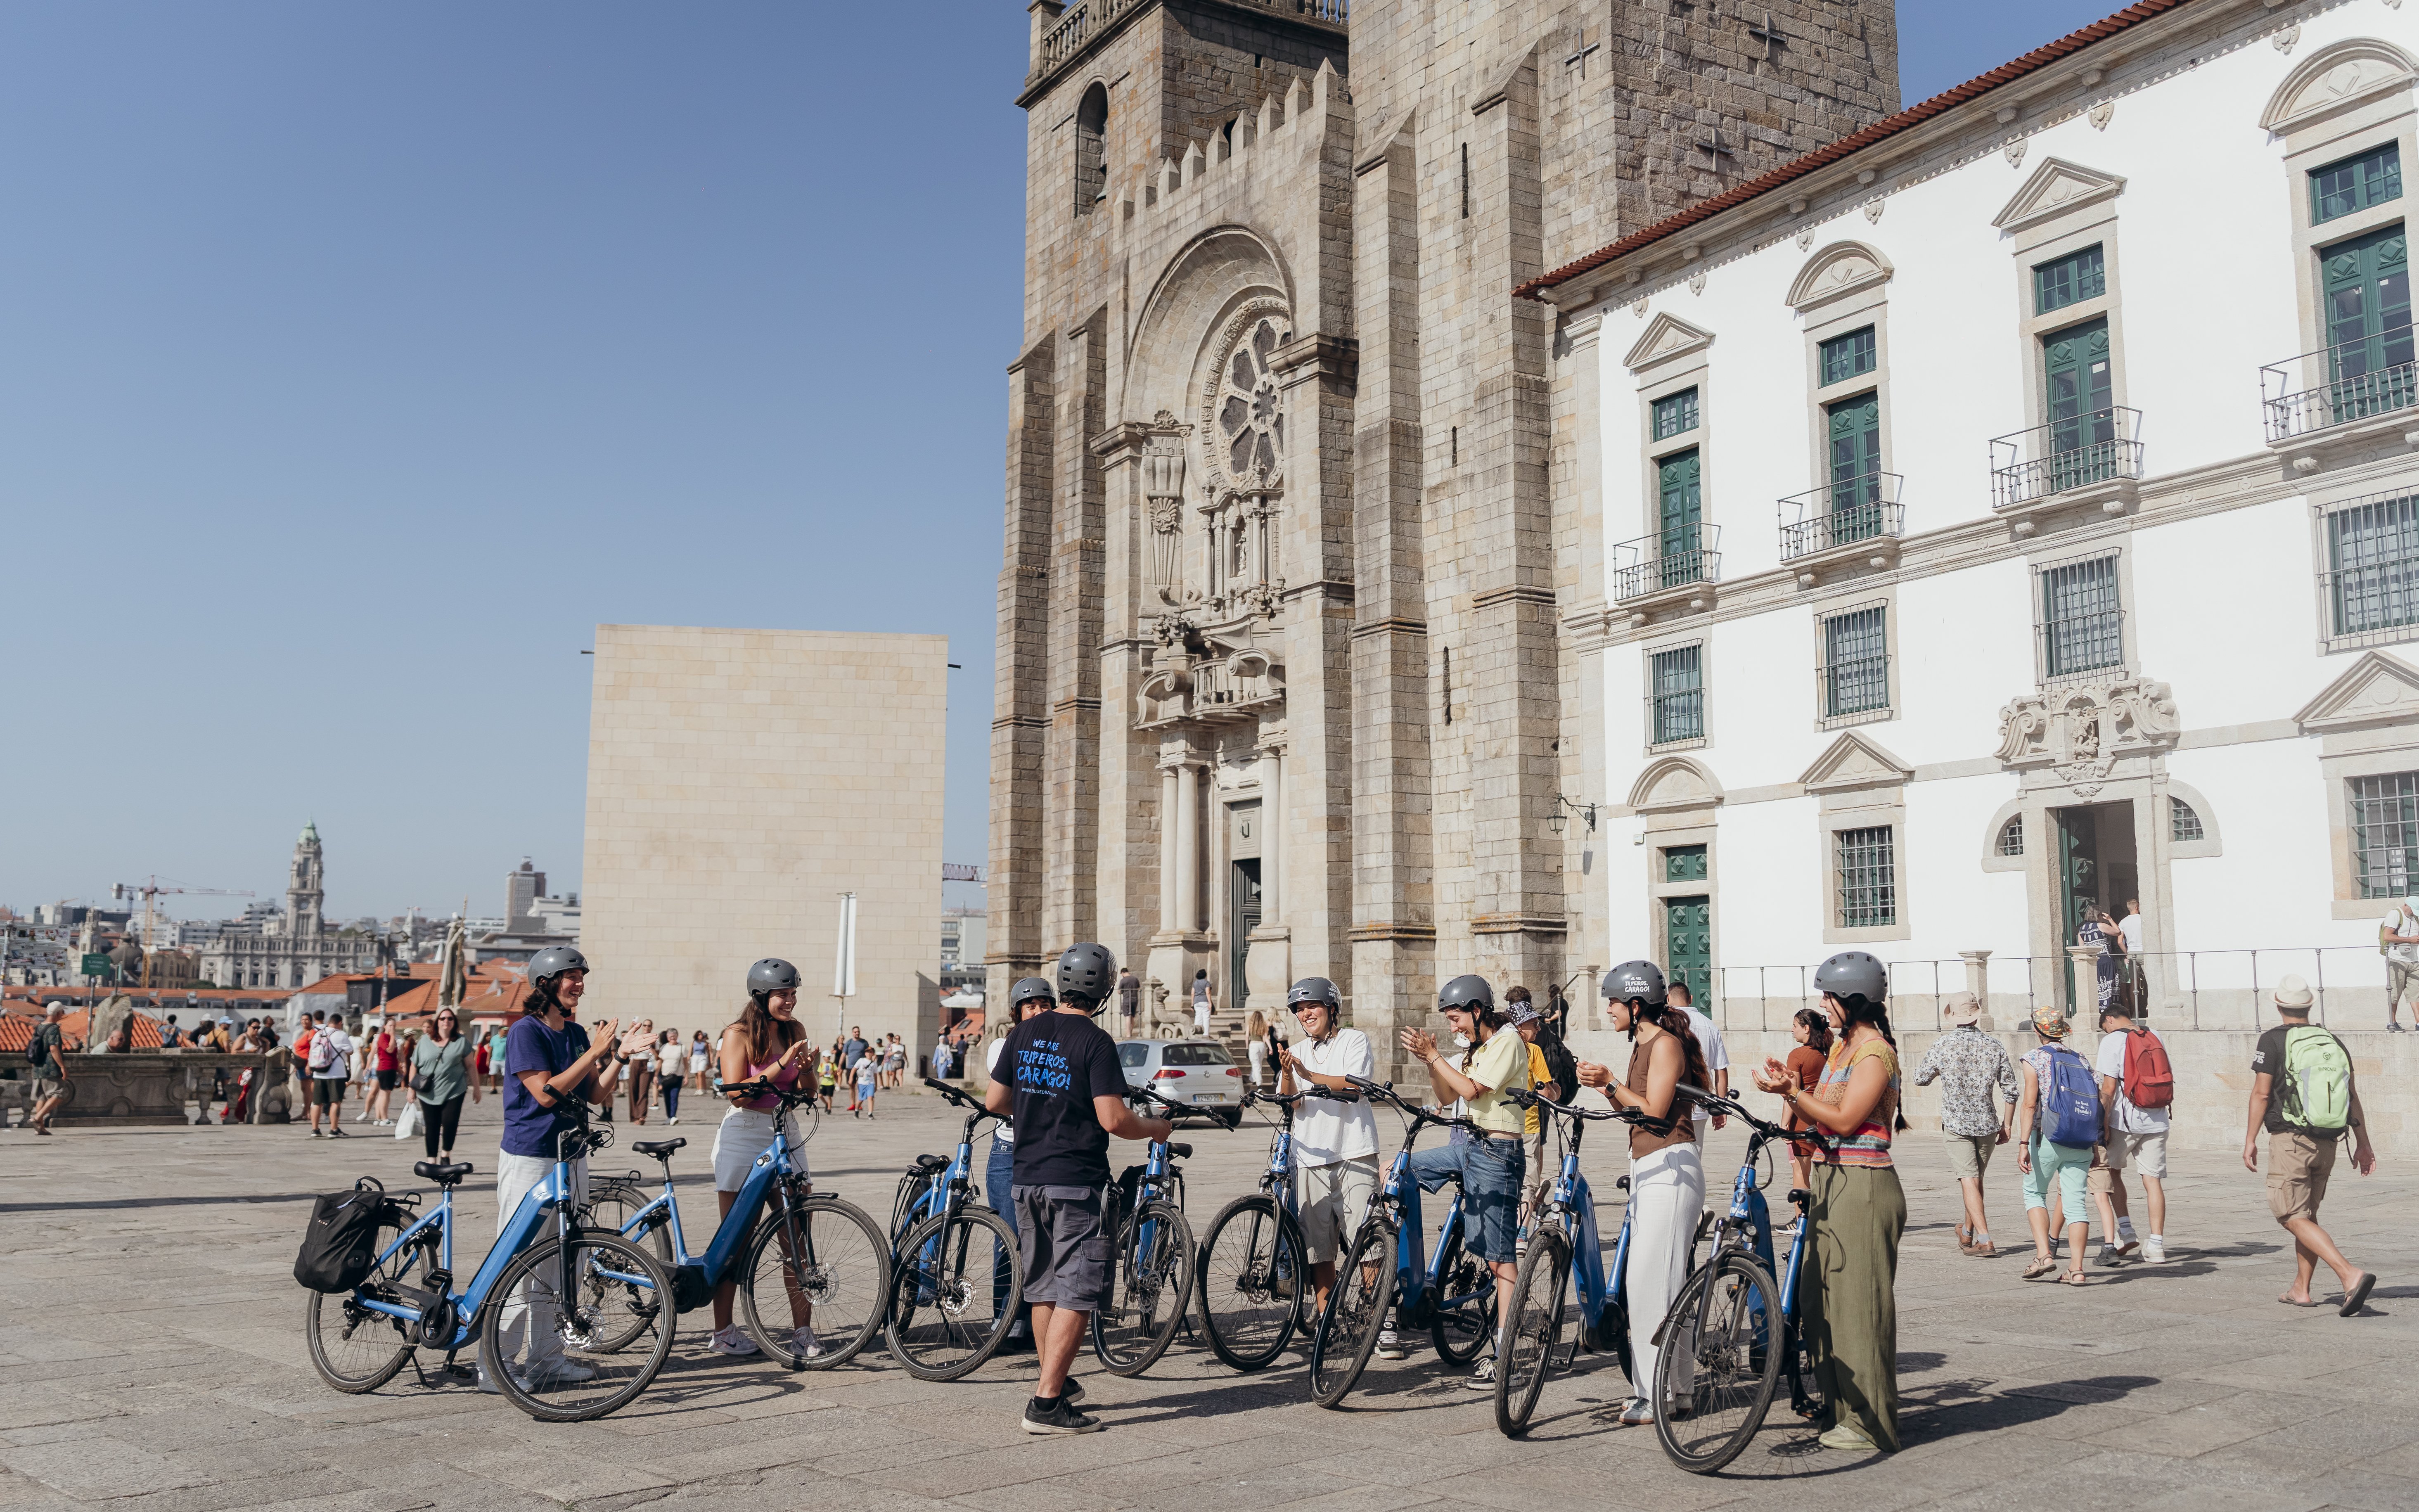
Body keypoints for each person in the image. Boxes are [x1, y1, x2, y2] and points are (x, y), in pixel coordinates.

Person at [985, 943, 1173, 1435]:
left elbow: (995, 1099)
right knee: (1079, 1289)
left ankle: (1057, 1380)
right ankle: (1047, 1403)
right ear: (1104, 989)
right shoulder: (1096, 1040)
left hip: (1026, 1176)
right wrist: (1154, 1127)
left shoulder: (1023, 1031)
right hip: (1074, 1179)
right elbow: (1114, 1119)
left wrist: (1038, 1112)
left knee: (1044, 1285)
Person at [1753, 950, 1905, 1455]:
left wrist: (1793, 1096)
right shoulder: (1842, 1050)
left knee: (1859, 1305)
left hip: (1864, 1184)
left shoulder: (1874, 1053)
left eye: (1828, 996)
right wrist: (1793, 1088)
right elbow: (1826, 1110)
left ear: (1852, 999)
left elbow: (1844, 1120)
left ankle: (1871, 1421)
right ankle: (1840, 1407)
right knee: (1824, 1306)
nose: (1822, 1005)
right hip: (1831, 1179)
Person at [1577, 962, 1708, 1427]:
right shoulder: (1643, 1044)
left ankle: (1655, 1395)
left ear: (1635, 1005)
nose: (1608, 1010)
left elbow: (1653, 1111)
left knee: (1652, 1283)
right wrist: (1606, 1088)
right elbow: (1633, 1113)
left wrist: (1611, 1082)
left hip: (1672, 1168)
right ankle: (1681, 1391)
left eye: (1612, 1002)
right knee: (1664, 1281)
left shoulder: (1665, 1044)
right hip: (1652, 1167)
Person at [489, 945, 618, 1394]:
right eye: (571, 976)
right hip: (532, 1155)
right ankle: (497, 1363)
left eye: (582, 976)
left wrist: (619, 1055)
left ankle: (547, 1357)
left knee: (564, 1259)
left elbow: (596, 1093)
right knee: (518, 1258)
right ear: (546, 983)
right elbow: (545, 1093)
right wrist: (594, 1051)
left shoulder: (578, 1032)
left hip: (572, 1154)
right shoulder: (525, 1031)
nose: (579, 983)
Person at [1396, 974, 1530, 1386]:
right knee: (1396, 1172)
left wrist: (1435, 1056)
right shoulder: (1479, 1046)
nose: (1453, 1026)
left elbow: (1472, 1091)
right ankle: (1409, 1274)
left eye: (1456, 1017)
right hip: (1466, 1144)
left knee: (1500, 1257)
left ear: (1477, 1009)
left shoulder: (1508, 1041)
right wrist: (1430, 1063)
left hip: (1496, 1153)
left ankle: (1504, 1351)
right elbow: (1449, 1096)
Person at [708, 959, 822, 1357]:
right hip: (744, 1132)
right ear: (761, 996)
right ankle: (722, 1332)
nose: (790, 1001)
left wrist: (807, 1071)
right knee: (735, 1240)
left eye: (793, 994)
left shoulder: (796, 1031)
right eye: (783, 994)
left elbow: (809, 1093)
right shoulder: (737, 1034)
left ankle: (803, 1332)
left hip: (786, 1129)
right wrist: (781, 1064)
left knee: (797, 1239)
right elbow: (737, 1092)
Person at [2246, 975, 2377, 1314]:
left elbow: (2261, 1093)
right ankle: (2300, 1289)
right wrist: (2363, 1144)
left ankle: (2349, 1275)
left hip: (2291, 1141)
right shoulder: (2331, 1039)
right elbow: (2351, 1095)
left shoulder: (2272, 1040)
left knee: (2290, 1214)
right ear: (2308, 1006)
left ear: (2277, 1004)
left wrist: (2249, 1140)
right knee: (2308, 1217)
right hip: (2329, 1141)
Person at [1275, 976, 1380, 1314]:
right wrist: (1289, 1072)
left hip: (1354, 1150)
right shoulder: (1298, 1051)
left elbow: (1354, 1087)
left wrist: (1308, 1074)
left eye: (1312, 1007)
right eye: (1300, 1010)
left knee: (1368, 1241)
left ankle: (1373, 1317)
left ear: (1331, 1009)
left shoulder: (1353, 1040)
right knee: (1318, 1248)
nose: (1306, 1014)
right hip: (1309, 1156)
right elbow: (1290, 1102)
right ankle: (1327, 1318)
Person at [1912, 992, 2016, 1258]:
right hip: (1988, 1124)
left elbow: (1920, 1079)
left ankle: (1985, 1239)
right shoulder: (1994, 1046)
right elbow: (2011, 1091)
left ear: (1954, 1016)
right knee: (1976, 1180)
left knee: (1969, 1180)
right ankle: (1967, 1233)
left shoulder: (1943, 1045)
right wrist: (2008, 1125)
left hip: (1957, 1124)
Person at [988, 977, 1057, 1351]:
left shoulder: (1058, 1042)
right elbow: (1003, 1098)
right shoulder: (1004, 1043)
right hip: (1008, 1151)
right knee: (1010, 1240)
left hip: (1047, 1152)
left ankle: (1036, 1320)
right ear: (1017, 1012)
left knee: (1044, 1242)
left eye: (1046, 1005)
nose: (1039, 1012)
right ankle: (1005, 1318)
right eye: (1031, 1006)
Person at [2014, 1004, 2094, 1287]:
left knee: (2035, 1192)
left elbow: (2029, 1104)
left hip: (2046, 1137)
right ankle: (2077, 1269)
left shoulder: (2033, 1058)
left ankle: (2044, 1255)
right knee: (2076, 1204)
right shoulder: (2080, 1058)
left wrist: (2023, 1143)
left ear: (2037, 1031)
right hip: (2080, 1138)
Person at [2091, 1003, 2168, 1264]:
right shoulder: (2154, 1034)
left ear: (2110, 1020)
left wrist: (2101, 1125)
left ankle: (2126, 1231)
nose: (2106, 1031)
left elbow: (2109, 1088)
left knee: (2112, 1173)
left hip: (2125, 1120)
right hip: (2157, 1117)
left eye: (2105, 1027)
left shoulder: (2112, 1041)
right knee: (2153, 1181)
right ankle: (2156, 1245)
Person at [1502, 995, 1566, 1238]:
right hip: (1527, 1126)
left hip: (1497, 1127)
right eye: (1533, 1023)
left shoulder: (1495, 1047)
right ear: (1520, 1026)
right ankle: (1521, 1234)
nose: (1539, 1028)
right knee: (1528, 1181)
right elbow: (1546, 1092)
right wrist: (1558, 1090)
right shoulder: (1532, 1050)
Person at [413, 1006, 479, 1163]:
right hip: (428, 1091)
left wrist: (477, 1088)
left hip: (454, 1090)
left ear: (454, 1022)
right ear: (437, 1022)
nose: (446, 1021)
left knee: (450, 1123)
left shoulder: (461, 1042)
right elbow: (414, 1065)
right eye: (443, 1019)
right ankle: (431, 1161)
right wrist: (411, 1089)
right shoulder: (425, 1041)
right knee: (432, 1126)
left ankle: (445, 1155)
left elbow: (470, 1065)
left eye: (450, 1019)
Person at [1665, 978, 1730, 1134]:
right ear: (1691, 999)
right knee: (1695, 1154)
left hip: (1669, 1102)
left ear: (1668, 998)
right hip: (1700, 1103)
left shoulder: (1663, 1023)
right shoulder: (1710, 1025)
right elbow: (1720, 1070)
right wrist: (1720, 1105)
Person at [1779, 1007, 1831, 1194]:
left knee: (1800, 1171)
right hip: (1822, 1117)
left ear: (1806, 1028)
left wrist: (1784, 1124)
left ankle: (1801, 1219)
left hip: (1801, 1121)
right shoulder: (1827, 1053)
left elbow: (1792, 1092)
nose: (1792, 1030)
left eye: (1795, 1026)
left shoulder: (1798, 1055)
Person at [28, 1003, 76, 1136]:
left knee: (42, 1097)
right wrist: (62, 1066)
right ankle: (37, 1118)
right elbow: (53, 1048)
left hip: (38, 1067)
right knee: (59, 1094)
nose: (63, 1014)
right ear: (57, 1014)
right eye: (62, 1012)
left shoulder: (40, 1026)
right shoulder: (53, 1029)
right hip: (50, 1068)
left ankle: (40, 1128)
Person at [308, 1013, 353, 1138]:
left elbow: (312, 1052)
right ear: (340, 1023)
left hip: (319, 1073)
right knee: (336, 1102)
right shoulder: (342, 1035)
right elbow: (350, 1051)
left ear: (329, 1022)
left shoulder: (318, 1034)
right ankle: (333, 1130)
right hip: (337, 1074)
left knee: (317, 1102)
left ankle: (315, 1130)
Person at [2380, 896, 2419, 1032]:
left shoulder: (2415, 918)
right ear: (2406, 905)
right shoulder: (2395, 914)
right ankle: (2392, 1022)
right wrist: (2410, 940)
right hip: (2396, 959)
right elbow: (2387, 936)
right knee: (2395, 993)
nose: (2414, 913)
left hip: (2414, 960)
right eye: (2413, 910)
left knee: (2416, 993)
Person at [367, 1022, 401, 1126]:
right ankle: (384, 1119)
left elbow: (397, 1055)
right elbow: (390, 1049)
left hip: (390, 1068)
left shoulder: (391, 1038)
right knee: (385, 1094)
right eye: (390, 1025)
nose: (393, 1028)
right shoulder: (383, 1037)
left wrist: (400, 1069)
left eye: (394, 1026)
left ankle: (379, 1118)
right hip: (385, 1068)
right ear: (385, 1026)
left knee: (384, 1094)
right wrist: (392, 1035)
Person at [657, 1029, 687, 1124]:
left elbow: (686, 1063)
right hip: (665, 1076)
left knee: (674, 1096)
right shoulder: (664, 1048)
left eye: (674, 1036)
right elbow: (660, 1062)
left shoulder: (682, 1048)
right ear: (668, 1038)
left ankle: (673, 1116)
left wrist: (686, 1076)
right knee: (667, 1097)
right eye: (671, 1037)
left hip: (677, 1076)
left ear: (677, 1036)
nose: (673, 1038)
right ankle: (669, 1117)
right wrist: (656, 1075)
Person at [1244, 1010, 1269, 1088]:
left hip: (1254, 1045)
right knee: (1258, 1064)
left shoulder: (1250, 1025)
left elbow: (1247, 1036)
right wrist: (1269, 1047)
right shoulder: (1263, 1026)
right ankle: (1253, 1079)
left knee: (1256, 1064)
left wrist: (1247, 1048)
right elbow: (1265, 1037)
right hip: (1262, 1046)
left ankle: (1259, 1084)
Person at [853, 1043, 879, 1119]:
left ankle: (870, 1114)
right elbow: (854, 1069)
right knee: (861, 1099)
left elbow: (875, 1074)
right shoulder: (861, 1061)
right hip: (862, 1083)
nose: (869, 1053)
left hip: (870, 1083)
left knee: (870, 1097)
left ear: (873, 1054)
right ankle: (856, 1110)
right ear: (865, 1053)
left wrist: (876, 1085)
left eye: (870, 1052)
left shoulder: (874, 1064)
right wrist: (852, 1078)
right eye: (867, 1052)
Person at [1116, 967, 1141, 1037]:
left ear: (1123, 973)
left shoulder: (1123, 980)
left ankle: (1128, 1034)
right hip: (1134, 1000)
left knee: (1128, 1016)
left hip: (1127, 1000)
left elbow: (1119, 991)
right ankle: (1131, 1032)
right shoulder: (1135, 979)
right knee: (1132, 1016)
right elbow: (1138, 988)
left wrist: (1123, 992)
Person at [1190, 970, 1212, 1036]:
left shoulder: (1195, 983)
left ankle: (1197, 1033)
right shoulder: (1207, 983)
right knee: (1206, 1018)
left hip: (1197, 1002)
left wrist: (1192, 1004)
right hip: (1205, 1001)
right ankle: (1205, 1034)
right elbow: (1208, 992)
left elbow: (1192, 994)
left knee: (1198, 1017)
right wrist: (1210, 1002)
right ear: (1205, 975)